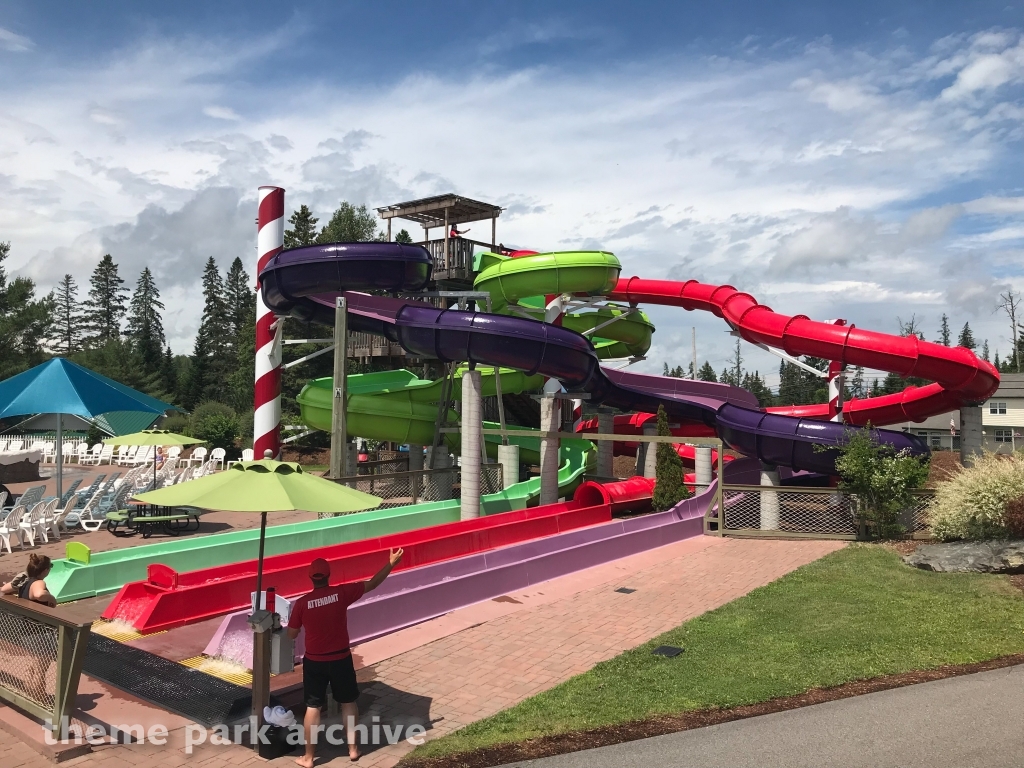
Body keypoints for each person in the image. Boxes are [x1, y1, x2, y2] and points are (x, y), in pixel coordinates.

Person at [288, 549, 404, 764]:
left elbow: (291, 634)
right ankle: (353, 750)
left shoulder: (302, 603)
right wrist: (391, 564)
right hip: (340, 658)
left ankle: (309, 757)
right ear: (329, 575)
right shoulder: (341, 593)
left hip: (315, 661)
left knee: (313, 707)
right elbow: (372, 584)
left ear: (310, 577)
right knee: (348, 702)